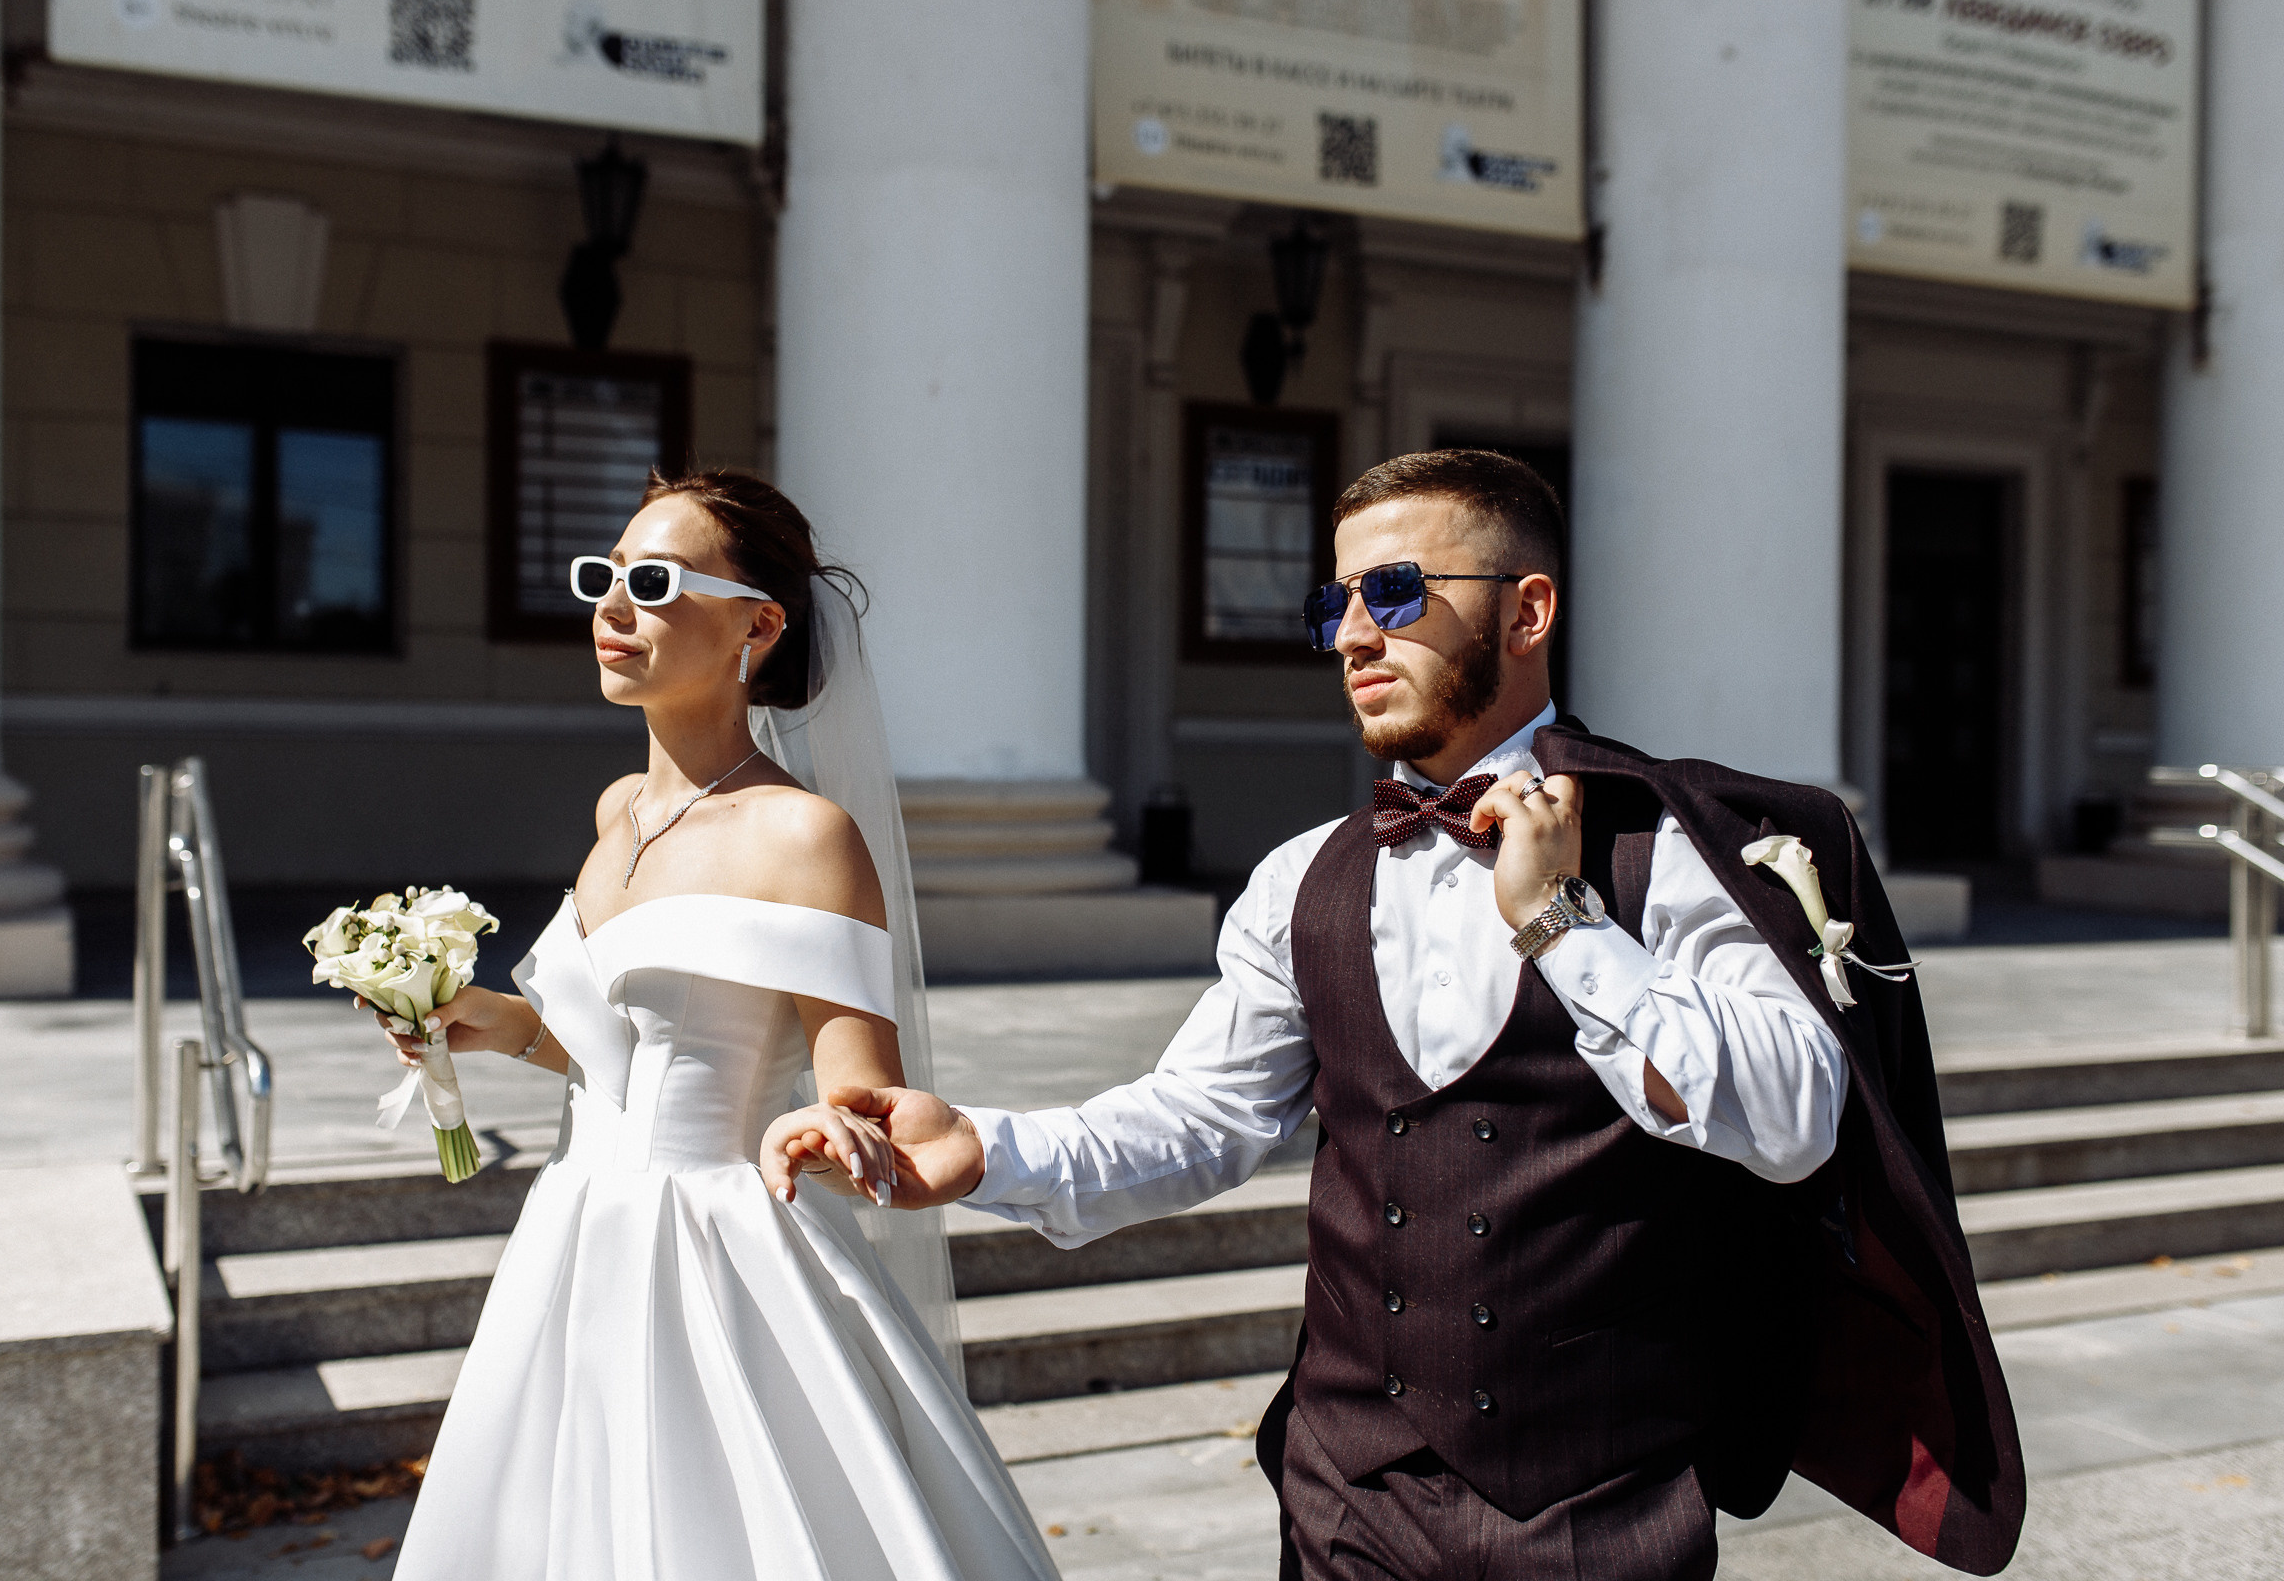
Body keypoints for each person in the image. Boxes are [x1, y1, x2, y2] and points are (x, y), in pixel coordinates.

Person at [768, 451, 2024, 1580]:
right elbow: (1204, 1115)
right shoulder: (1300, 879)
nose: (1355, 635)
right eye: (1337, 603)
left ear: (1527, 610)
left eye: (1400, 594)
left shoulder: (1682, 851)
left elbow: (1796, 1120)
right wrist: (984, 1149)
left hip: (1600, 1510)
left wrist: (1565, 928)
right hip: (1345, 1493)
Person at [374, 468, 1060, 1580]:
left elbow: (863, 1092)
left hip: (719, 1252)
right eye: (602, 577)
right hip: (574, 1231)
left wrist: (849, 1133)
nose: (612, 606)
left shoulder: (805, 835)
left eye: (653, 581)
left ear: (760, 623)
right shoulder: (618, 812)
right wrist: (485, 1019)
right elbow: (607, 1054)